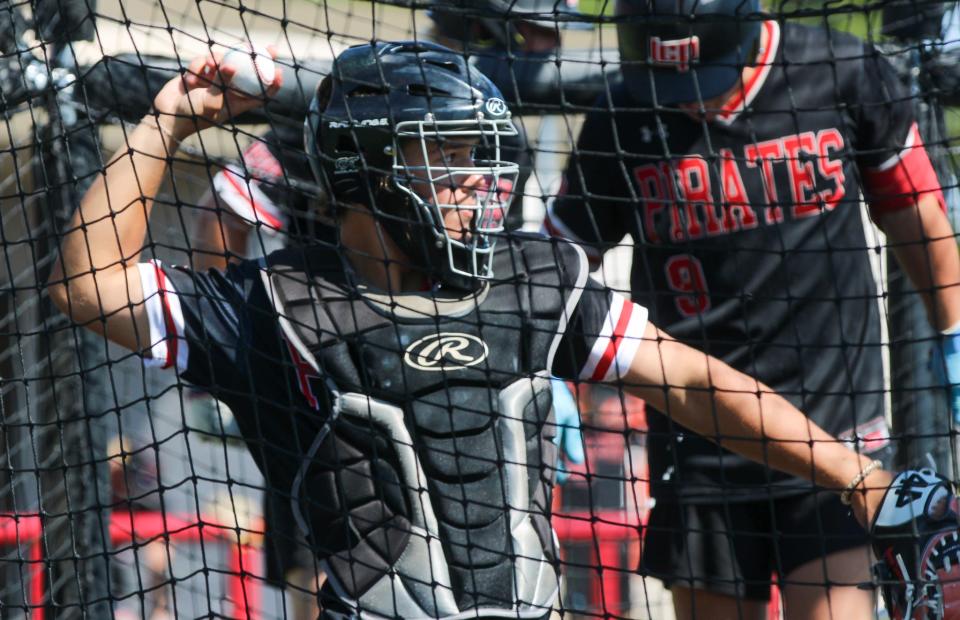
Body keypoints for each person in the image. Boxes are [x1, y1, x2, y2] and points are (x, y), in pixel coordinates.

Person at [47, 40, 925, 619]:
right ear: (370, 168)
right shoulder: (269, 306)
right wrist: (165, 122)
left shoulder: (536, 280)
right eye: (452, 158)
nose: (481, 185)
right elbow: (87, 285)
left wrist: (857, 477)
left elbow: (693, 381)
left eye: (483, 158)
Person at [545, 0, 960, 617]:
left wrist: (954, 331)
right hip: (697, 445)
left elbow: (915, 213)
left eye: (705, 79)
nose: (691, 100)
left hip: (835, 436)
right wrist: (548, 368)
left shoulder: (839, 71)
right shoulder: (624, 112)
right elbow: (559, 256)